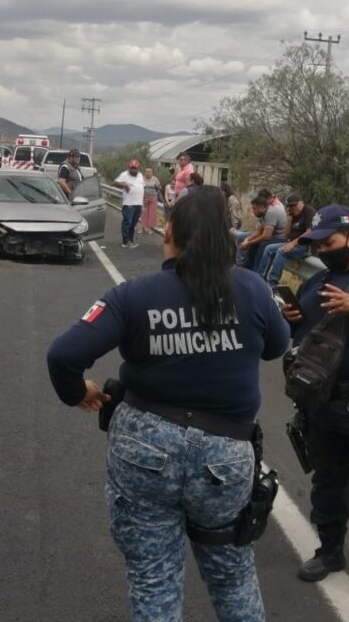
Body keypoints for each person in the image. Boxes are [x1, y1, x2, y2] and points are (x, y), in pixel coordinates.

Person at [45, 189, 289, 621]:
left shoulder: (134, 295)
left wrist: (79, 392)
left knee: (153, 579)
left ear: (170, 232)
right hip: (225, 458)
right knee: (233, 577)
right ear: (226, 238)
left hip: (144, 454)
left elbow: (64, 355)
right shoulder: (252, 288)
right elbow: (276, 347)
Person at [279, 205, 349, 582]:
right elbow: (304, 338)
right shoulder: (316, 280)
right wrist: (290, 319)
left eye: (329, 243)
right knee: (328, 485)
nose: (322, 251)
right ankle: (330, 552)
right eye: (317, 246)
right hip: (320, 404)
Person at [259, 194, 316, 287]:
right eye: (290, 206)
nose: (293, 208)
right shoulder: (293, 215)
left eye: (295, 205)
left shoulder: (309, 212)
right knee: (268, 248)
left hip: (305, 246)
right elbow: (286, 234)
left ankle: (272, 284)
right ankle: (260, 279)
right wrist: (289, 220)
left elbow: (309, 232)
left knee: (281, 251)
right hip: (292, 243)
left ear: (301, 203)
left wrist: (292, 244)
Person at [235, 191, 287, 274]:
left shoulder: (270, 213)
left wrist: (249, 243)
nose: (253, 211)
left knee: (262, 244)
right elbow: (259, 231)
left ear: (262, 207)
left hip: (280, 238)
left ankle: (257, 271)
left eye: (254, 209)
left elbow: (266, 236)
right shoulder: (263, 214)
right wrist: (247, 240)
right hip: (272, 236)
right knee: (253, 243)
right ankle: (248, 267)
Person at [113, 159, 146, 248]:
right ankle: (125, 242)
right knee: (127, 222)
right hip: (129, 204)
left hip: (138, 204)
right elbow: (115, 182)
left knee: (133, 224)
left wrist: (143, 201)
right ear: (129, 167)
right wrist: (124, 185)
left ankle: (130, 240)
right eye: (132, 168)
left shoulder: (140, 175)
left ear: (138, 168)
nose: (133, 169)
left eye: (135, 168)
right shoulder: (124, 174)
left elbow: (142, 187)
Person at [140, 167, 162, 235]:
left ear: (152, 173)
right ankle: (143, 228)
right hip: (144, 198)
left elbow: (159, 187)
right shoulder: (142, 178)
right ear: (145, 172)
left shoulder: (155, 179)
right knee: (144, 213)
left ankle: (150, 229)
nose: (148, 173)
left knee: (152, 214)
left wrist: (158, 187)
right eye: (147, 171)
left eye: (149, 172)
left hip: (153, 197)